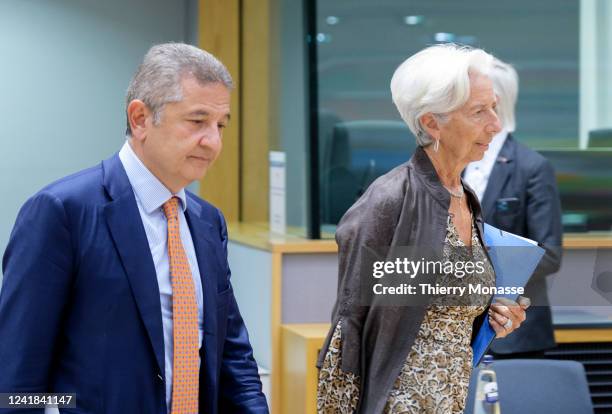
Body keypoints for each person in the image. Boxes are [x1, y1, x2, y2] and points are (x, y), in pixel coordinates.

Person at [0, 43, 268, 414]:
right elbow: (17, 379)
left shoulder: (208, 223)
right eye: (197, 121)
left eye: (220, 125)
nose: (214, 142)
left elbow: (233, 358)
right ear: (140, 118)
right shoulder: (62, 212)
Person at [316, 44, 528, 414]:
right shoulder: (390, 199)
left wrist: (493, 316)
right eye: (480, 111)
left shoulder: (465, 197)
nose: (495, 124)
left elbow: (434, 308)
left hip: (451, 400)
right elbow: (349, 328)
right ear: (432, 123)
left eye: (494, 107)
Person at [464, 58, 563, 358]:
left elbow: (549, 254)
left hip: (515, 334)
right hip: (457, 333)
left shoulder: (533, 168)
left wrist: (472, 267)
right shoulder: (456, 164)